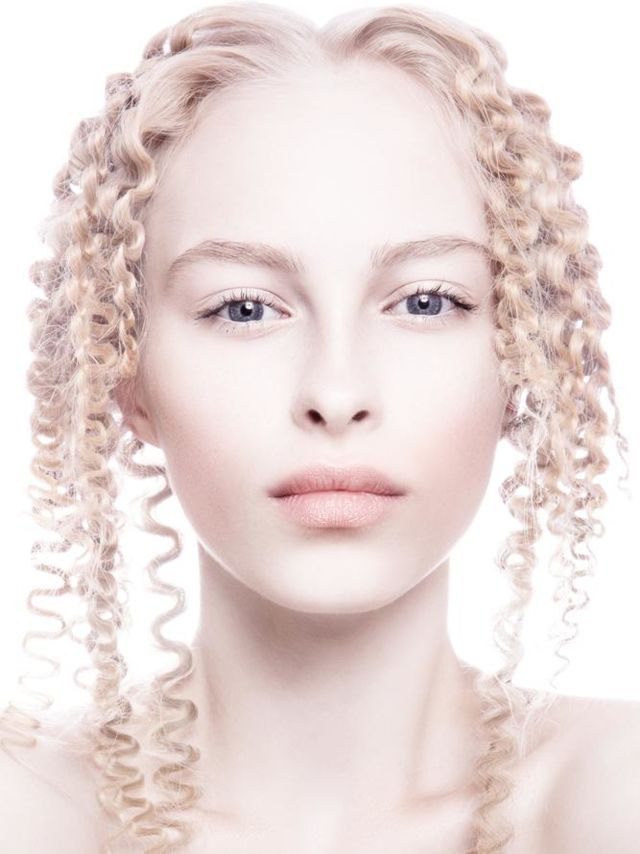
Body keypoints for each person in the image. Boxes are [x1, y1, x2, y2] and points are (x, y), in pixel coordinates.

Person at [1, 3, 637, 853]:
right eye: (244, 308)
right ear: (128, 377)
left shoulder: (612, 796)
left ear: (521, 358)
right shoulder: (26, 815)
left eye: (425, 301)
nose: (336, 394)